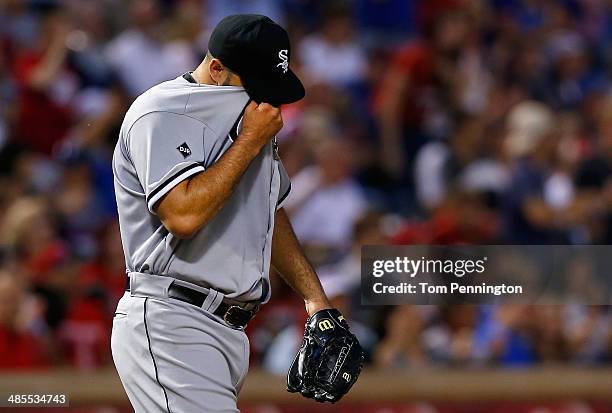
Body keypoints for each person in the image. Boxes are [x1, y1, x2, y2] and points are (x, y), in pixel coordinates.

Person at [111, 14, 361, 412]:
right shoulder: (163, 112)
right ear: (216, 68)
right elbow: (183, 216)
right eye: (255, 86)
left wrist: (316, 301)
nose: (265, 102)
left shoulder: (245, 124)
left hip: (227, 329)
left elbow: (268, 212)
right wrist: (248, 142)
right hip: (172, 319)